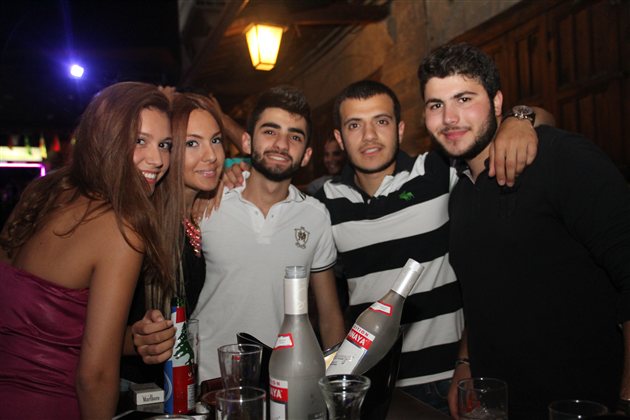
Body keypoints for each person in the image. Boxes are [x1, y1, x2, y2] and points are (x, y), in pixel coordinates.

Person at [417, 43, 630, 419]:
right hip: (501, 405)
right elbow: (480, 293)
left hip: (584, 404)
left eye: (464, 98)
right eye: (436, 105)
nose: (449, 117)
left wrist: (627, 400)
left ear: (497, 102)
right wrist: (465, 363)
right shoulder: (460, 194)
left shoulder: (563, 159)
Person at [314, 79, 549, 412]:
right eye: (355, 125)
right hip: (371, 383)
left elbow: (546, 118)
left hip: (449, 379)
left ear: (400, 128)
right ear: (339, 138)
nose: (369, 136)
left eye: (381, 121)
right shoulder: (325, 203)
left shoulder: (438, 171)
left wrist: (518, 120)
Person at [0, 82, 173, 419]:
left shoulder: (43, 192)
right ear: (105, 139)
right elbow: (95, 377)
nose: (157, 159)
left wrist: (130, 339)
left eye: (164, 144)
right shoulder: (121, 229)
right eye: (139, 140)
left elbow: (38, 323)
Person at [192, 85, 346, 381]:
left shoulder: (315, 216)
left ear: (306, 155)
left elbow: (329, 314)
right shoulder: (209, 202)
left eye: (295, 136)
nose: (281, 144)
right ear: (247, 141)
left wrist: (338, 382)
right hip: (208, 380)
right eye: (270, 131)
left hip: (284, 383)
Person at [121, 91, 226, 383]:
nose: (211, 155)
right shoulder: (143, 224)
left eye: (216, 140)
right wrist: (134, 339)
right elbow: (85, 329)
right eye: (192, 143)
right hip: (133, 388)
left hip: (180, 385)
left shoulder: (202, 214)